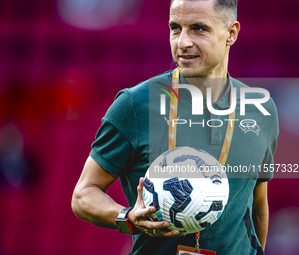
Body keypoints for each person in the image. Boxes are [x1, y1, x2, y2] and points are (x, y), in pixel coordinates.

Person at [71, 0, 279, 254]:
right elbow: (83, 194)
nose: (182, 42)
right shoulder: (135, 104)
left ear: (231, 33)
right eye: (175, 28)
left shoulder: (261, 110)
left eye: (198, 29)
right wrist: (127, 217)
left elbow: (257, 204)